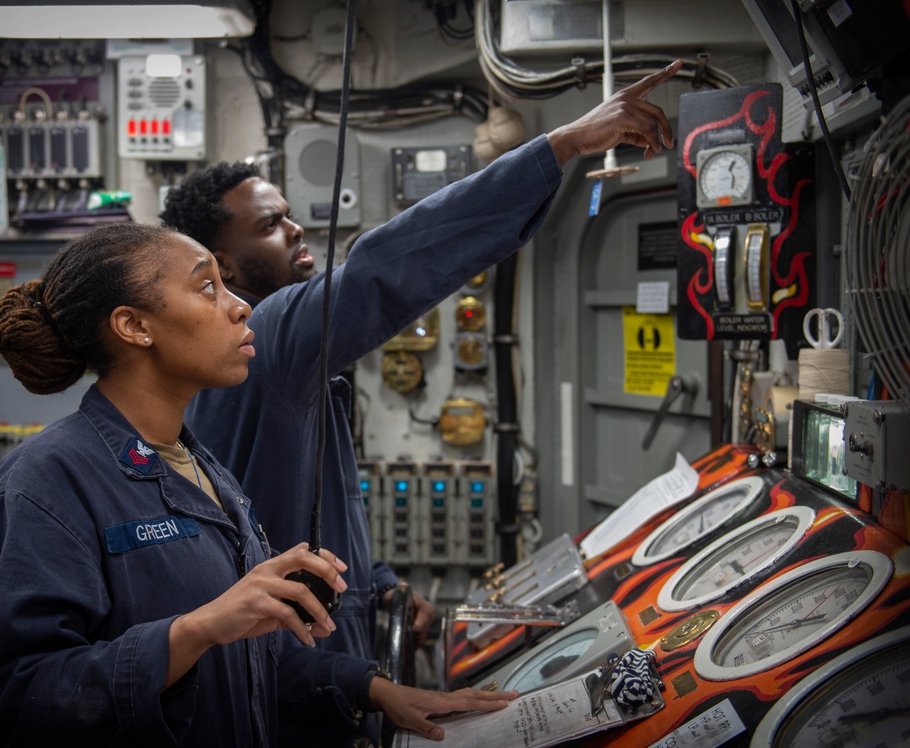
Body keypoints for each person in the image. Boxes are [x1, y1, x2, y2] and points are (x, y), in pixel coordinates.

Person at [160, 57, 683, 715]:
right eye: (269, 225)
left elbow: (293, 510)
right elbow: (388, 267)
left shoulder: (252, 352)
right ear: (223, 265)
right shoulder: (263, 338)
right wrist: (565, 143)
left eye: (289, 214)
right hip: (292, 667)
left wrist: (378, 584)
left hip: (316, 641)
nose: (295, 229)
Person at [0, 222, 519, 747]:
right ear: (134, 326)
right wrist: (197, 628)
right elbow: (20, 699)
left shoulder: (202, 469)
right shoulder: (40, 485)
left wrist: (374, 690)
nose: (240, 306)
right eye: (207, 287)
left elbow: (249, 658)